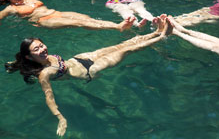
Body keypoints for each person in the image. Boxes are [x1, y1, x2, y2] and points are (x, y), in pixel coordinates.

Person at [5, 16, 172, 136]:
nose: (42, 50)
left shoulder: (34, 58)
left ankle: (156, 33)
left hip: (81, 58)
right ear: (29, 56)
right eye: (36, 50)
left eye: (41, 45)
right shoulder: (45, 74)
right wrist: (61, 119)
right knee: (127, 50)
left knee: (123, 44)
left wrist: (14, 64)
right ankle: (164, 36)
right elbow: (49, 98)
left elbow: (21, 57)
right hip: (89, 71)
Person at [0, 0, 134, 31]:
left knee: (86, 18)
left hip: (57, 13)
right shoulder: (11, 8)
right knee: (78, 23)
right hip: (44, 21)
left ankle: (117, 25)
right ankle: (118, 26)